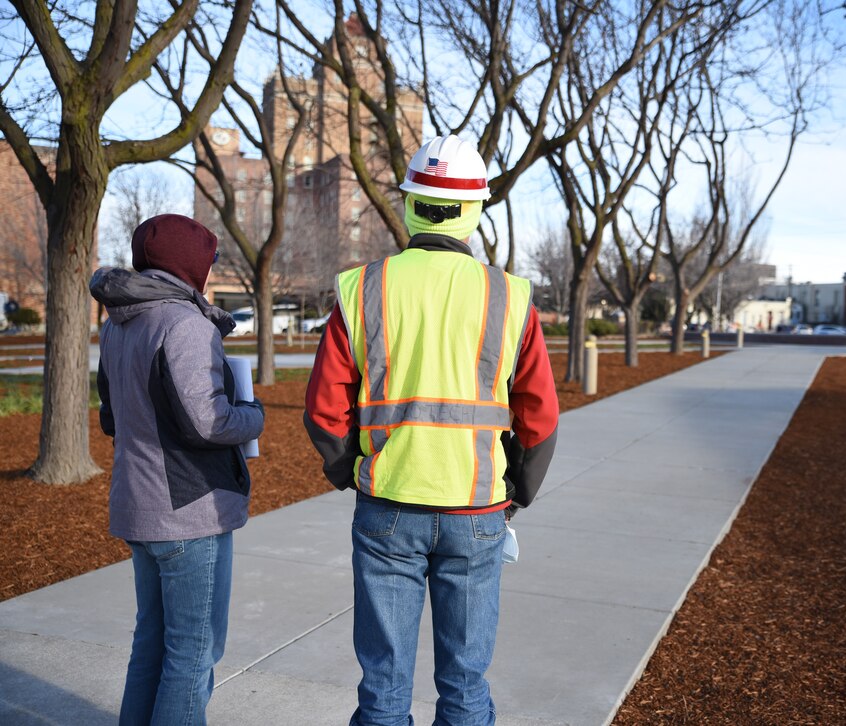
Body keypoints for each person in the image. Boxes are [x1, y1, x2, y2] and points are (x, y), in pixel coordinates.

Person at [304, 134, 559, 726]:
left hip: (388, 503)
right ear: (474, 209)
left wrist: (350, 470)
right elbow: (539, 417)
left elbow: (323, 409)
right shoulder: (510, 296)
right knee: (466, 684)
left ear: (409, 203)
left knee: (384, 688)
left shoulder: (360, 288)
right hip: (477, 510)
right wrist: (516, 491)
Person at [90, 214, 265, 726]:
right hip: (189, 512)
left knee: (151, 646)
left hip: (139, 505)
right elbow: (208, 422)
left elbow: (110, 416)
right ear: (192, 267)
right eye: (208, 264)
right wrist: (251, 414)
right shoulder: (183, 324)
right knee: (193, 654)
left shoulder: (118, 323)